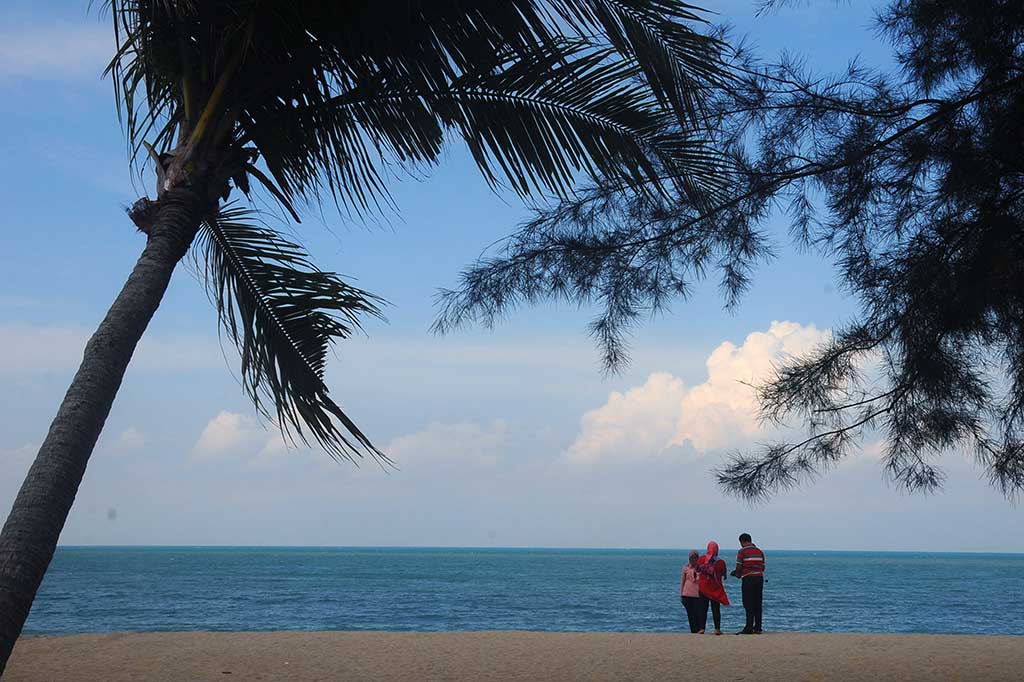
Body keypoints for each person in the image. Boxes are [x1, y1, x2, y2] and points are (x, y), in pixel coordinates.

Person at [732, 532, 765, 635]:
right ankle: (758, 627)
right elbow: (763, 567)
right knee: (757, 603)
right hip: (759, 578)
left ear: (742, 541)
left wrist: (736, 574)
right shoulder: (760, 552)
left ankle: (749, 627)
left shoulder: (742, 552)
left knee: (748, 603)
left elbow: (739, 567)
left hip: (748, 579)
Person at [697, 541, 729, 635]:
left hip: (703, 587)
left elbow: (697, 569)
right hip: (715, 588)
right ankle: (717, 629)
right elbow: (723, 573)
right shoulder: (720, 562)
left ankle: (702, 628)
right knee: (716, 609)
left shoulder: (702, 559)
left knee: (703, 608)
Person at [679, 550, 703, 633]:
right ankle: (693, 631)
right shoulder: (685, 568)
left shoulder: (700, 568)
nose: (693, 560)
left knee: (698, 613)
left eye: (695, 558)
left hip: (697, 594)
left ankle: (699, 629)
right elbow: (682, 582)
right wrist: (681, 594)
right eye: (691, 558)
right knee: (690, 614)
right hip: (686, 594)